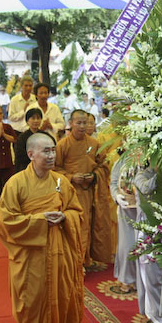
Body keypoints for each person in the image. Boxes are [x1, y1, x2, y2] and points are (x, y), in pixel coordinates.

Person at [0, 132, 84, 323]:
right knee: (32, 304)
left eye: (53, 150)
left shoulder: (61, 182)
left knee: (58, 299)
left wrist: (65, 217)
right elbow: (6, 222)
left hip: (57, 253)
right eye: (46, 151)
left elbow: (76, 212)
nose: (51, 155)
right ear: (31, 154)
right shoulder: (15, 184)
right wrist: (39, 221)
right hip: (30, 257)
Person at [55, 109, 112, 268]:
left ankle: (86, 260)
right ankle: (73, 263)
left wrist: (94, 176)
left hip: (89, 193)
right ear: (71, 123)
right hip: (70, 195)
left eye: (85, 123)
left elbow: (104, 166)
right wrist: (71, 177)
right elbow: (54, 170)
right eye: (78, 123)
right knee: (74, 227)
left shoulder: (94, 144)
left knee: (89, 226)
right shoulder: (62, 145)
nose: (82, 126)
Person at [134, 166, 162, 323]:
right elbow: (146, 188)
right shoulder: (141, 175)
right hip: (147, 231)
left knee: (158, 275)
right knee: (151, 275)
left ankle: (153, 311)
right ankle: (161, 316)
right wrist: (161, 175)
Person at [109, 155, 137, 294]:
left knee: (144, 244)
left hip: (146, 210)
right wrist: (116, 196)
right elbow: (114, 183)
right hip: (127, 209)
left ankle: (141, 279)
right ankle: (126, 279)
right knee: (127, 244)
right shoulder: (122, 160)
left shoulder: (151, 160)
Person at [14, 108, 43, 173]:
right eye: (33, 118)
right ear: (27, 121)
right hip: (26, 168)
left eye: (38, 118)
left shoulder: (45, 136)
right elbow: (19, 156)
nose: (36, 121)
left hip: (42, 167)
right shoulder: (22, 137)